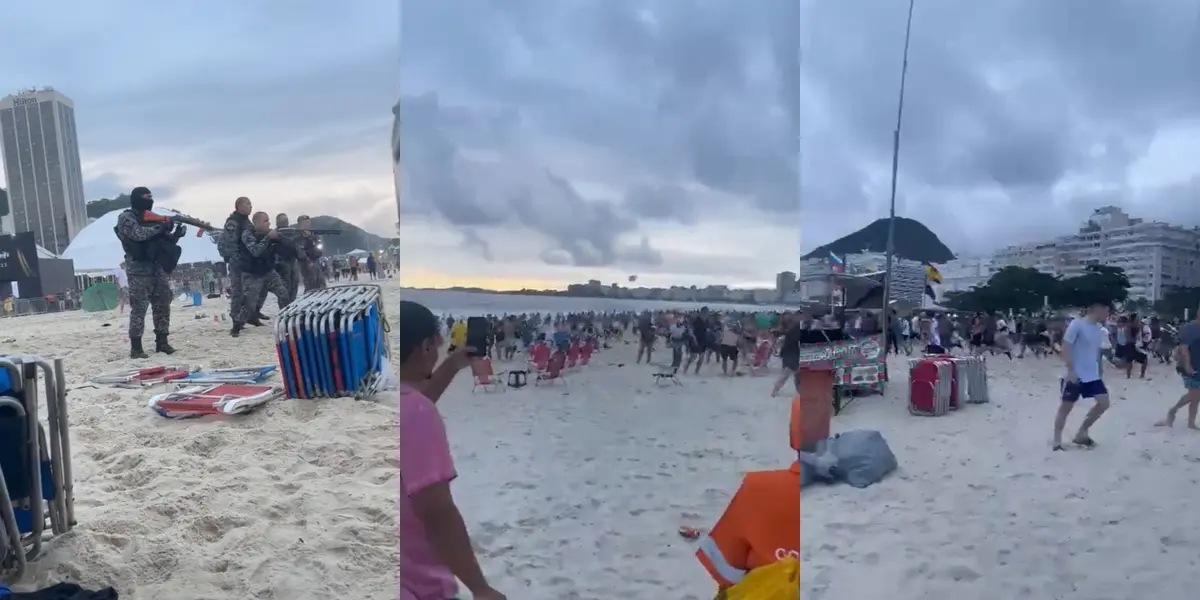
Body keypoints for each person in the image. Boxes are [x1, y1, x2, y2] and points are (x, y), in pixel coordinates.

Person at [399, 300, 507, 600]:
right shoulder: (417, 412)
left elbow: (413, 398)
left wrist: (453, 364)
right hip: (421, 585)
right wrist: (480, 587)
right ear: (425, 346)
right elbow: (437, 512)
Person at [113, 187, 183, 358]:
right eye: (146, 197)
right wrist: (161, 227)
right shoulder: (126, 218)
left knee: (163, 306)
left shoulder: (154, 219)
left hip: (157, 268)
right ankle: (136, 348)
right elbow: (138, 234)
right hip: (138, 271)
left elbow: (161, 242)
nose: (149, 201)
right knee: (139, 309)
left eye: (151, 197)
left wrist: (175, 235)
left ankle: (162, 342)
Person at [1053, 301, 1111, 451]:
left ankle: (1082, 432)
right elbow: (1066, 347)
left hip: (1092, 374)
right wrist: (1071, 370)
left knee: (1104, 403)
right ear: (1098, 309)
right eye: (1106, 311)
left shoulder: (1099, 329)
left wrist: (1100, 370)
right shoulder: (1077, 325)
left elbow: (1096, 352)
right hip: (1075, 373)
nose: (1108, 315)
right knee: (1066, 406)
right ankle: (1057, 440)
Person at [230, 212, 292, 337]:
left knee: (283, 293)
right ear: (256, 223)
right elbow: (256, 251)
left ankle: (285, 321)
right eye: (265, 221)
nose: (269, 223)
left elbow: (288, 248)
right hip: (252, 274)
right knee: (249, 305)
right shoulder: (247, 234)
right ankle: (237, 325)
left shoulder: (268, 234)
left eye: (269, 220)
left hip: (268, 271)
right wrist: (269, 238)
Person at [1157, 307, 1200, 429]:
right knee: (1195, 394)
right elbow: (1184, 349)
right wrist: (1188, 366)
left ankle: (1188, 421)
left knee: (1195, 395)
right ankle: (1175, 412)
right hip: (1190, 365)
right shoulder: (1190, 328)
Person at [219, 197, 256, 322]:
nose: (251, 206)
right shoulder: (233, 222)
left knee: (249, 290)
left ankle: (248, 315)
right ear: (239, 206)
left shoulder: (245, 221)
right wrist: (237, 258)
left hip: (247, 260)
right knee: (238, 291)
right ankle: (236, 317)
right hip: (238, 262)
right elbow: (230, 243)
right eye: (248, 204)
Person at [295, 215, 327, 292]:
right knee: (310, 285)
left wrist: (310, 238)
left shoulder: (314, 237)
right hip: (305, 264)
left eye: (308, 222)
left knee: (321, 283)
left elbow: (319, 251)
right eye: (304, 223)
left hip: (316, 261)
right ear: (299, 224)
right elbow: (299, 253)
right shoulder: (297, 238)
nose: (307, 224)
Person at [274, 213, 302, 302]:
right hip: (281, 263)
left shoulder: (292, 232)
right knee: (284, 289)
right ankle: (284, 309)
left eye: (286, 220)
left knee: (294, 287)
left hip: (293, 261)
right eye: (283, 220)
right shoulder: (274, 234)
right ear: (277, 222)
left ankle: (291, 306)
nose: (285, 222)